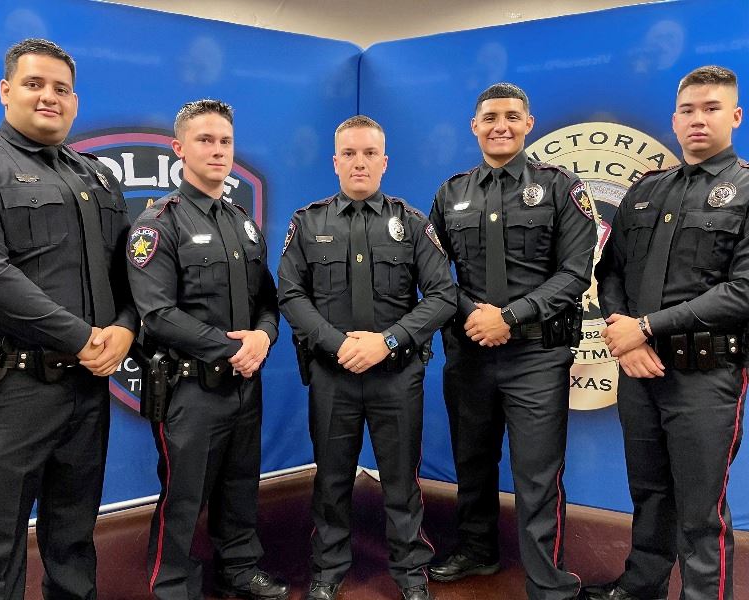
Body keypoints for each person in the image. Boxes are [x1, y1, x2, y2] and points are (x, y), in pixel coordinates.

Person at [0, 38, 138, 599]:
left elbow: (127, 268)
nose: (48, 97)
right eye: (34, 84)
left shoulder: (97, 177)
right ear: (7, 91)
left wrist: (126, 326)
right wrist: (82, 337)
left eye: (61, 88)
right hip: (12, 391)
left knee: (75, 535)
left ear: (75, 101)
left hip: (86, 389)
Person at [584, 65, 748, 600]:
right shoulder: (644, 190)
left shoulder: (745, 189)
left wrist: (646, 328)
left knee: (701, 510)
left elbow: (742, 290)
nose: (698, 119)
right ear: (674, 120)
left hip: (707, 376)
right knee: (650, 494)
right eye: (688, 110)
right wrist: (621, 334)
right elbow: (610, 271)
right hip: (639, 372)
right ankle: (641, 586)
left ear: (736, 117)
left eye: (711, 108)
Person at [427, 83, 596, 600]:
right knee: (472, 462)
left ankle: (548, 579)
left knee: (538, 473)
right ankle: (477, 551)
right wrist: (473, 315)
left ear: (529, 123)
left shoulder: (561, 187)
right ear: (474, 126)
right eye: (490, 117)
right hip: (470, 352)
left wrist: (511, 316)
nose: (500, 125)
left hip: (537, 356)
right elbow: (432, 273)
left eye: (511, 117)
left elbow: (574, 272)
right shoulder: (450, 192)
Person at [277, 115, 456, 600]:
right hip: (333, 376)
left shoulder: (413, 223)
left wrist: (388, 341)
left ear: (384, 161)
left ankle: (409, 569)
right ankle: (328, 568)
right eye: (349, 154)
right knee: (331, 479)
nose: (360, 162)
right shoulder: (308, 222)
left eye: (369, 153)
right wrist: (339, 345)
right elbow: (291, 296)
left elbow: (442, 296)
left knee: (402, 481)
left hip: (397, 376)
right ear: (335, 162)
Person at [126, 99, 288, 600]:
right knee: (183, 496)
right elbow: (157, 314)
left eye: (225, 142)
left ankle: (239, 568)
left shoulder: (243, 223)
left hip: (244, 384)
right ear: (179, 149)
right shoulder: (158, 225)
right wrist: (230, 348)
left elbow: (268, 301)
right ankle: (172, 585)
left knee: (241, 487)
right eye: (205, 141)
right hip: (188, 390)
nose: (217, 151)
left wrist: (264, 337)